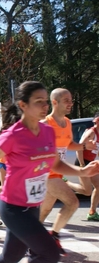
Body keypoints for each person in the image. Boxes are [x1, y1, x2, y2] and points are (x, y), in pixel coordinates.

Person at [0, 81, 99, 263]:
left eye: (46, 101)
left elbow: (55, 164)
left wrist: (82, 172)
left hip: (33, 206)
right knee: (49, 253)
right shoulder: (13, 135)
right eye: (39, 101)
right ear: (23, 105)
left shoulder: (47, 130)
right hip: (13, 208)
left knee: (11, 256)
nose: (45, 106)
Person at [39, 88, 96, 255]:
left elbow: (68, 144)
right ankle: (53, 236)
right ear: (54, 102)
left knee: (45, 209)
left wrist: (85, 146)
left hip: (57, 172)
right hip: (45, 174)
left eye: (71, 100)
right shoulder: (45, 125)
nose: (70, 103)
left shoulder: (68, 122)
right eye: (66, 100)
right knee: (72, 202)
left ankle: (31, 239)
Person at [66, 112, 99, 221]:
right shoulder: (91, 132)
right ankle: (65, 182)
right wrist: (82, 165)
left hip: (90, 163)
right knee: (87, 191)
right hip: (82, 162)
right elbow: (79, 148)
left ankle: (92, 212)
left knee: (98, 186)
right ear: (97, 121)